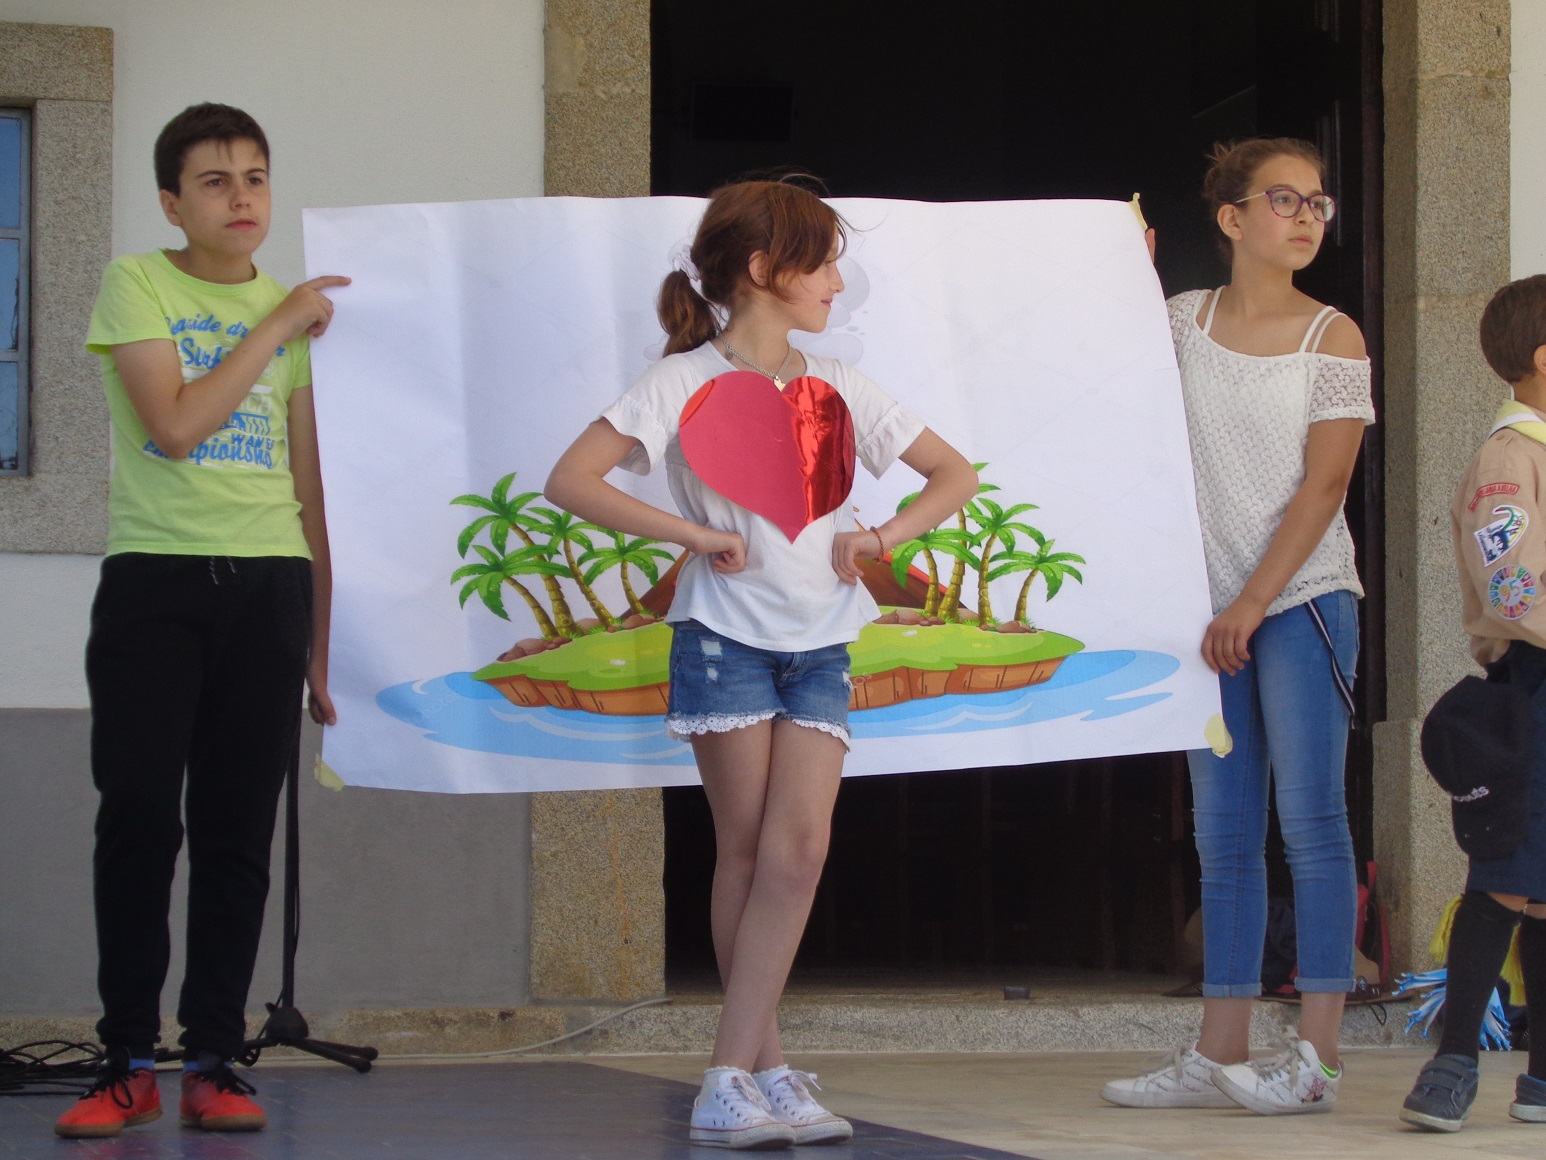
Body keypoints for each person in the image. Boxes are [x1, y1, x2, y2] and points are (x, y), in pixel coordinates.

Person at [545, 177, 977, 1149]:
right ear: (761, 269)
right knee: (747, 852)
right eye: (821, 263)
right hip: (723, 641)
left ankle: (748, 1070)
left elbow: (955, 473)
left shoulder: (840, 386)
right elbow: (570, 478)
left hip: (821, 642)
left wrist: (882, 536)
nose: (835, 281)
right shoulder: (681, 381)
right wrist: (694, 534)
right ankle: (742, 1075)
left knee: (799, 853)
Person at [53, 103, 348, 1139]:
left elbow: (310, 488)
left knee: (237, 830)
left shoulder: (292, 315)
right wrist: (277, 325)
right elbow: (175, 426)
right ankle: (128, 1058)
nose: (241, 197)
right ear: (173, 202)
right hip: (156, 582)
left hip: (269, 585)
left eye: (256, 177)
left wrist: (321, 646)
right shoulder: (140, 283)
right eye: (215, 181)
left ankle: (216, 1055)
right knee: (139, 815)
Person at [1101, 138, 1374, 1115]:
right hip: (1205, 614)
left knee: (1311, 820)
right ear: (1231, 217)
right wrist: (1119, 273)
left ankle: (1316, 1059)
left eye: (1317, 202)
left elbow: (1325, 486)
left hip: (1302, 604)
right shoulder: (1183, 321)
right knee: (1222, 832)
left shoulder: (1333, 336)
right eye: (1284, 199)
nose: (1307, 217)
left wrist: (1251, 602)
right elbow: (1108, 385)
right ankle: (1219, 1050)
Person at [1398, 274, 1546, 1132]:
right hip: (1533, 687)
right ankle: (1452, 1061)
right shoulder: (1510, 456)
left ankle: (1541, 1078)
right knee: (1508, 877)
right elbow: (1511, 582)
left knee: (1545, 886)